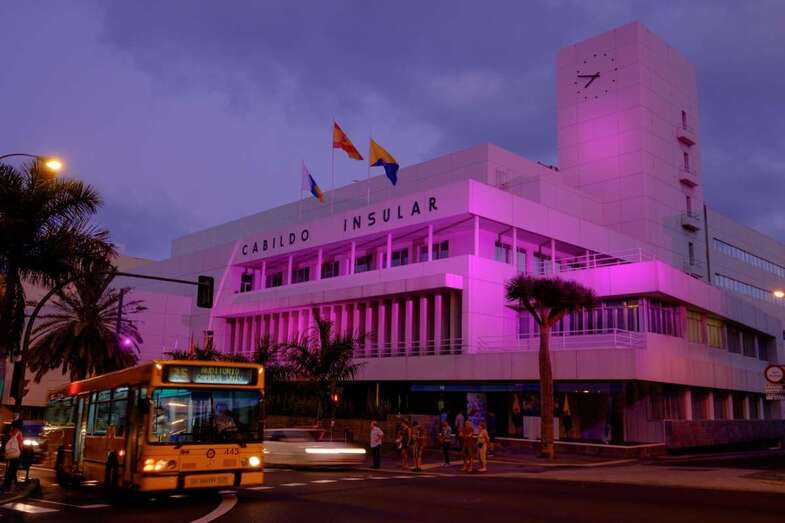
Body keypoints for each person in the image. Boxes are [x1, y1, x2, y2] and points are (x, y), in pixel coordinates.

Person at [3, 419, 23, 492]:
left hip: (9, 454)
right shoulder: (19, 433)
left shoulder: (10, 432)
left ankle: (10, 485)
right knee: (13, 470)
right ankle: (8, 486)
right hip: (15, 455)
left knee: (10, 469)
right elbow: (20, 445)